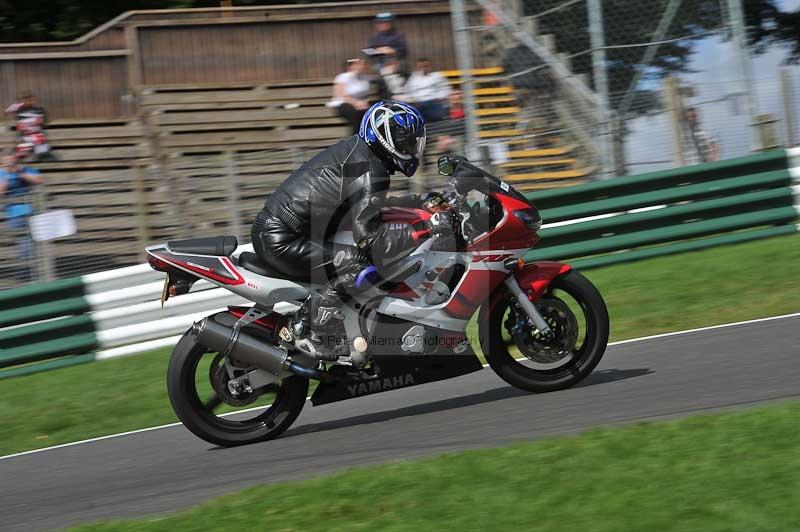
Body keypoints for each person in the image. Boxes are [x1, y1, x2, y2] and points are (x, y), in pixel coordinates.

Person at [251, 101, 450, 360]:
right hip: (282, 239)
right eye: (406, 143)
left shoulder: (362, 155)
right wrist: (427, 227)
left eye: (413, 143)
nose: (411, 149)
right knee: (360, 262)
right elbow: (368, 238)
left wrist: (419, 202)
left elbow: (368, 205)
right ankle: (313, 329)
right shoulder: (370, 168)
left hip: (287, 232)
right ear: (385, 138)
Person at [0, 154, 43, 282]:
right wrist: (7, 174)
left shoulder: (27, 170)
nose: (10, 163)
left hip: (33, 212)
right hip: (15, 215)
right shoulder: (2, 173)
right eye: (6, 161)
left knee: (35, 246)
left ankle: (33, 274)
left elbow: (39, 181)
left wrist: (20, 173)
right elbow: (1, 192)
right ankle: (24, 276)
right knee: (24, 247)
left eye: (12, 160)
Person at [5, 92, 55, 162]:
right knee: (20, 153)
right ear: (23, 101)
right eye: (26, 100)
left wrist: (38, 122)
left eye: (31, 100)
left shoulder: (40, 110)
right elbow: (6, 112)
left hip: (37, 136)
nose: (29, 101)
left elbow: (44, 123)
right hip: (25, 137)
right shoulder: (18, 109)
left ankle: (41, 157)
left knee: (44, 152)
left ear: (35, 100)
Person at [402, 58, 451, 123]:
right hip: (418, 103)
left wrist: (438, 98)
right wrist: (412, 100)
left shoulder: (437, 76)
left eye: (426, 66)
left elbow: (446, 89)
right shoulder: (413, 78)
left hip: (433, 102)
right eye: (421, 67)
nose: (423, 68)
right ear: (418, 67)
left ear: (430, 66)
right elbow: (407, 91)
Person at [330, 58, 372, 135]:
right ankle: (354, 138)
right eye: (358, 64)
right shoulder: (342, 77)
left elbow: (366, 95)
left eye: (362, 64)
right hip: (342, 104)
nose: (361, 66)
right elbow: (340, 95)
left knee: (372, 112)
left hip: (361, 105)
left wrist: (364, 102)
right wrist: (355, 103)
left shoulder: (366, 78)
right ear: (351, 66)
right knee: (355, 113)